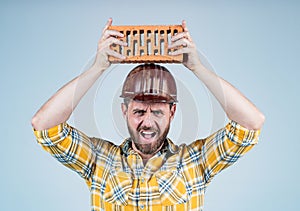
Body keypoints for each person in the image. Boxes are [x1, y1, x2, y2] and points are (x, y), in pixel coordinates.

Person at [31, 18, 265, 211]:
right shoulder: (100, 161)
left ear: (172, 112)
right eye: (139, 111)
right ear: (124, 110)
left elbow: (251, 123)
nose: (148, 122)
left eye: (158, 112)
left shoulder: (195, 161)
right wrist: (97, 67)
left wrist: (198, 68)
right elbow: (44, 126)